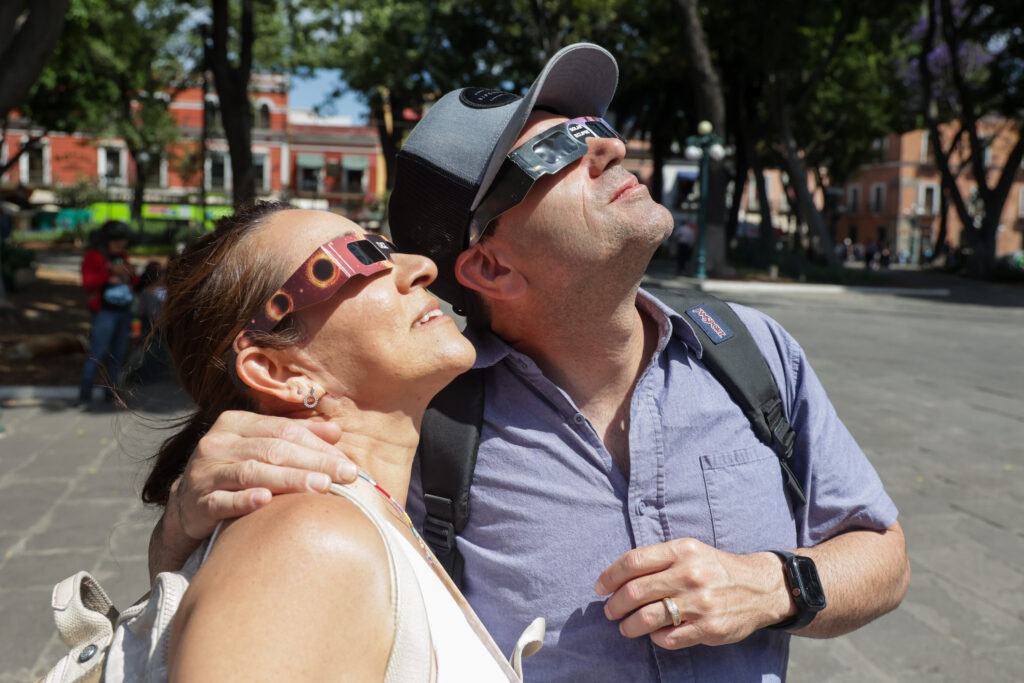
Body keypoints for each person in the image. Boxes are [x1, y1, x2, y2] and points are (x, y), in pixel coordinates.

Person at [148, 44, 909, 681]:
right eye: (555, 151)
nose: (607, 146)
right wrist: (184, 523)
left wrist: (777, 583)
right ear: (489, 266)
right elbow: (281, 570)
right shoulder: (428, 418)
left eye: (593, 127)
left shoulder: (751, 351)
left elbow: (883, 554)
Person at [108, 202, 537, 680]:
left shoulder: (351, 522)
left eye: (387, 248)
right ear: (277, 371)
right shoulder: (307, 541)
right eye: (359, 257)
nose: (422, 267)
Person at [77, 220, 138, 406]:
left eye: (123, 240)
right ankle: (85, 395)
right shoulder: (94, 256)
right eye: (117, 240)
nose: (121, 244)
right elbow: (88, 283)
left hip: (124, 311)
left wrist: (131, 273)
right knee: (97, 353)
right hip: (104, 313)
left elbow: (134, 283)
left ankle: (110, 393)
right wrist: (109, 271)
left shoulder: (122, 256)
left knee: (117, 355)